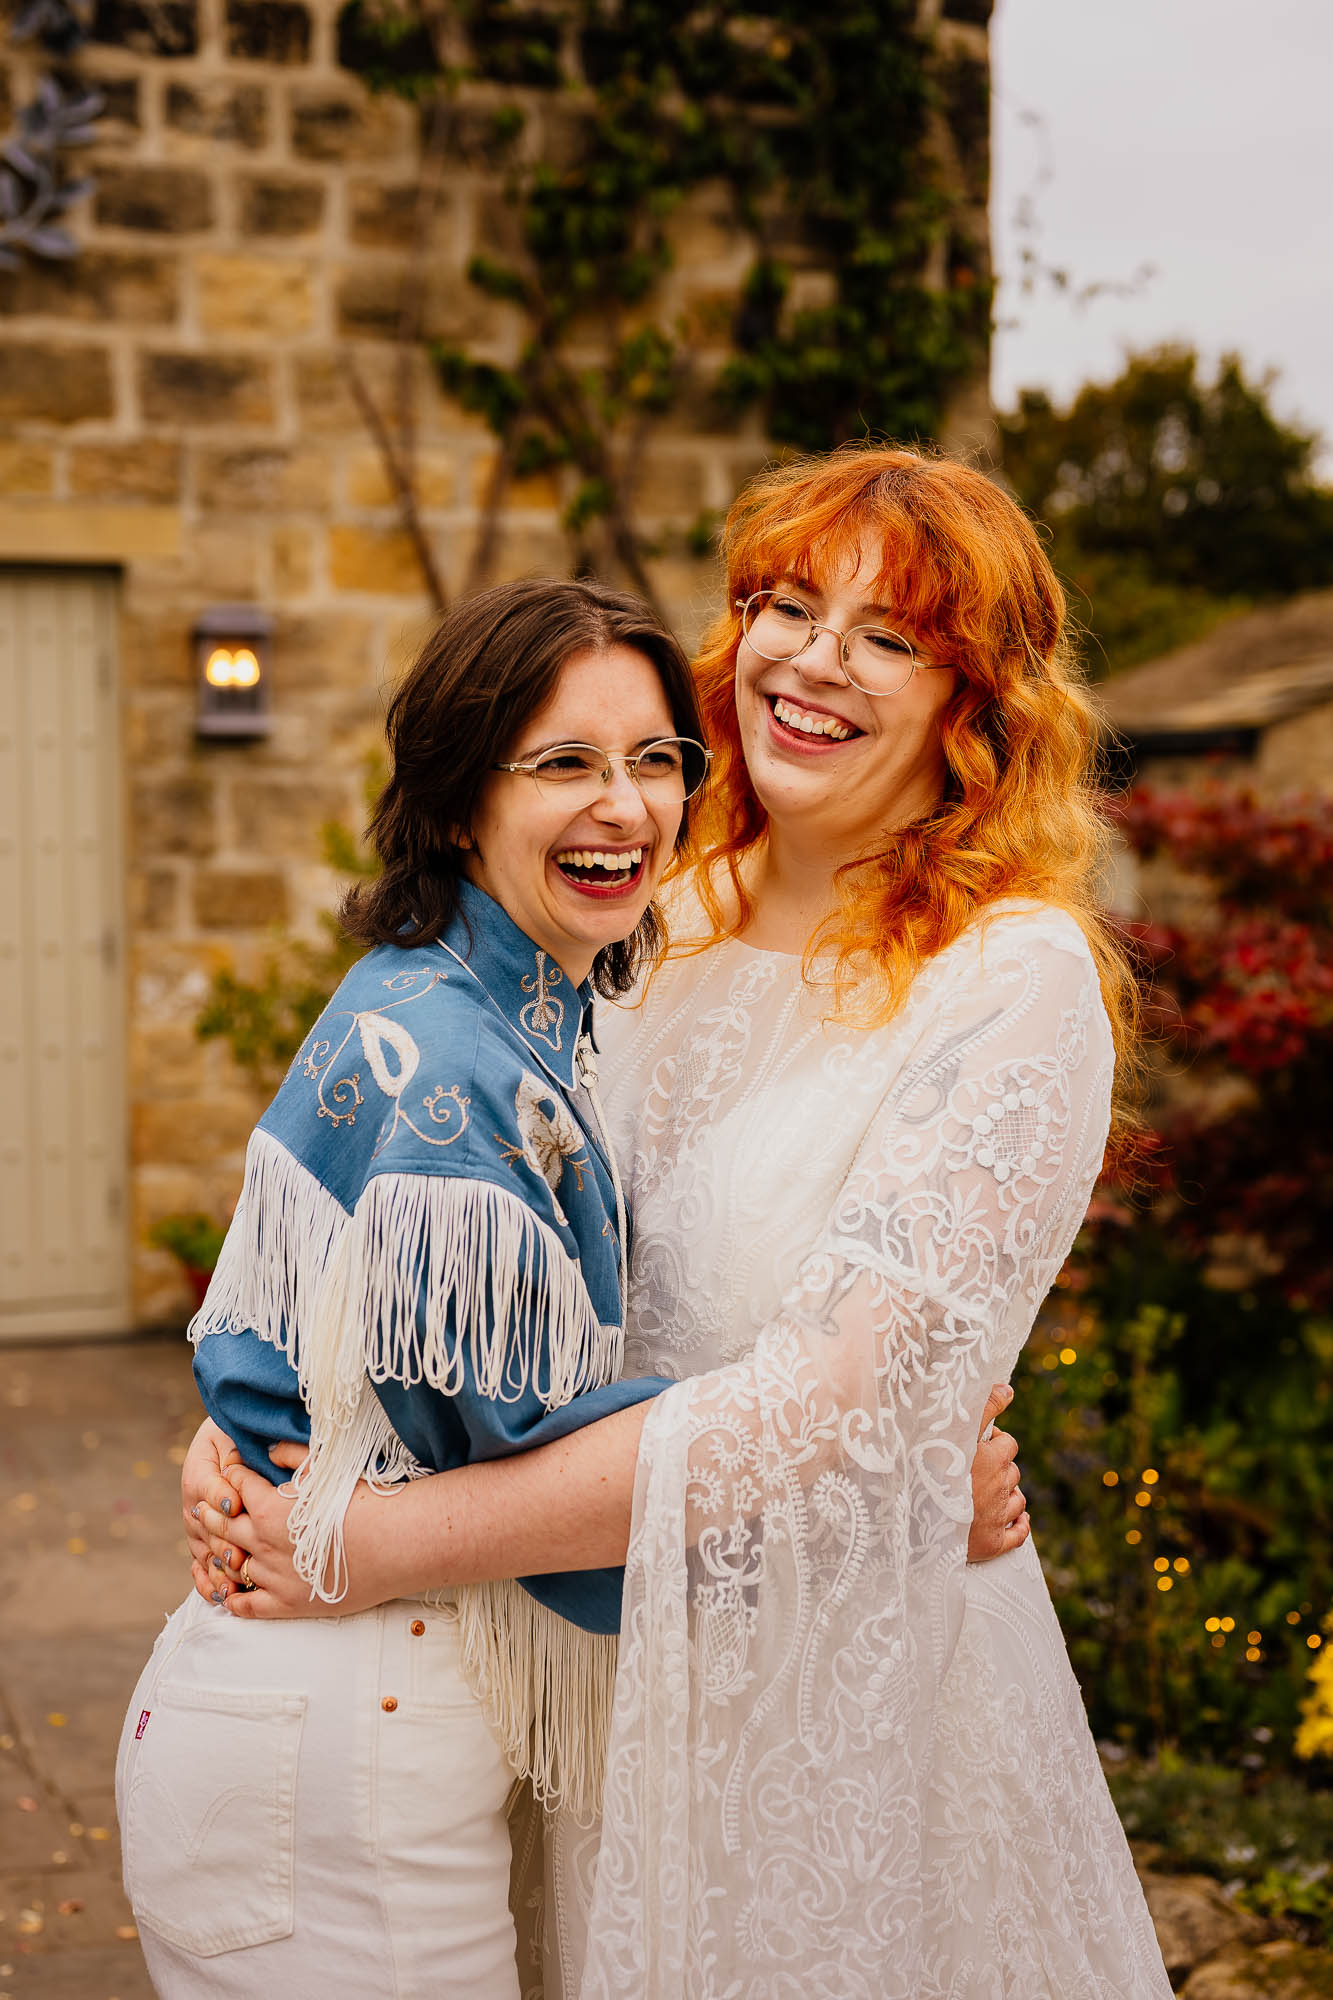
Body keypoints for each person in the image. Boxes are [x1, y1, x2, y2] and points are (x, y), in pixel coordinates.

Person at [186, 445, 1167, 1997]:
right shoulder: (656, 901)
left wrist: (370, 1543)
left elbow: (834, 1408)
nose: (814, 661)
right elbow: (440, 1205)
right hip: (579, 1685)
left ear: (971, 705)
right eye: (787, 606)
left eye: (888, 636)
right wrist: (266, 1430)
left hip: (830, 1716)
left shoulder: (1008, 977)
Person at [115, 577, 713, 1996]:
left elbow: (318, 1369)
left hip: (326, 1721)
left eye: (654, 758)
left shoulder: (463, 995)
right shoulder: (456, 1069)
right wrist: (857, 1452)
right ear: (456, 804)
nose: (623, 804)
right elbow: (510, 1460)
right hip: (342, 1748)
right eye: (563, 763)